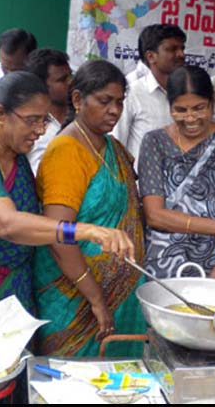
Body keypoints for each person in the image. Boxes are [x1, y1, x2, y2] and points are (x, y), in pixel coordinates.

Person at [0, 70, 135, 366]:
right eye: (32, 120)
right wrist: (86, 231)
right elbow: (7, 223)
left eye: (44, 120)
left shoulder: (15, 155)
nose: (41, 130)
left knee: (11, 381)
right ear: (0, 115)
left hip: (13, 294)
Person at [33, 60, 146, 357]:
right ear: (78, 100)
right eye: (105, 101)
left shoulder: (112, 147)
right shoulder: (66, 152)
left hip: (120, 293)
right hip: (76, 297)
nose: (115, 110)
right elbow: (59, 236)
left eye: (120, 102)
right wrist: (96, 299)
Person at [137, 65, 215, 280]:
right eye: (180, 110)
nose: (191, 118)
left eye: (199, 108)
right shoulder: (154, 142)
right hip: (164, 266)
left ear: (213, 100)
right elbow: (155, 215)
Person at [112, 23, 186, 164]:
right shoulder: (132, 93)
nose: (181, 54)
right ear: (151, 56)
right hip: (140, 184)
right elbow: (116, 145)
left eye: (182, 48)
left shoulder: (186, 93)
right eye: (172, 49)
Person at [25, 48, 72, 173]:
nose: (70, 82)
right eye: (62, 80)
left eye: (70, 76)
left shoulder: (82, 118)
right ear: (42, 85)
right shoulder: (29, 127)